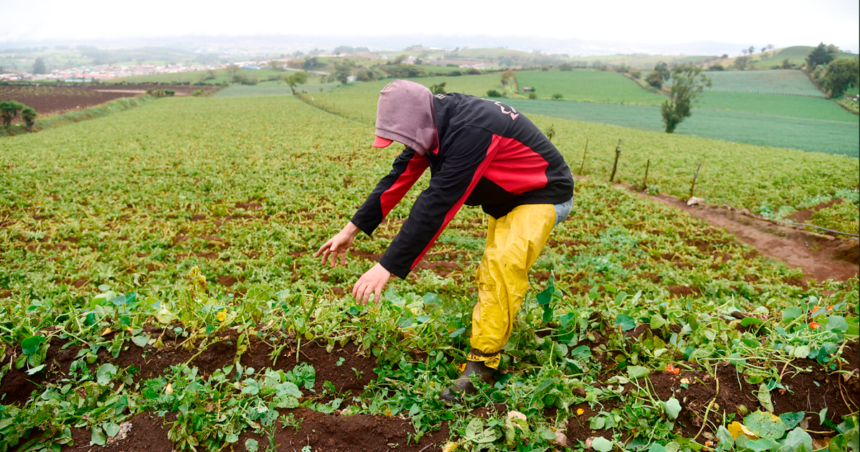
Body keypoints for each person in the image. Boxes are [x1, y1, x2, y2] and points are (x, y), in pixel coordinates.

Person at [316, 79, 574, 402]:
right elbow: (399, 177)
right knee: (491, 271)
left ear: (418, 122)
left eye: (401, 136)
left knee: (503, 265)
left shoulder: (471, 132)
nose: (402, 144)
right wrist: (350, 229)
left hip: (543, 193)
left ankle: (483, 366)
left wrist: (385, 267)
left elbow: (436, 205)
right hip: (508, 198)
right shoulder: (435, 122)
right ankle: (492, 331)